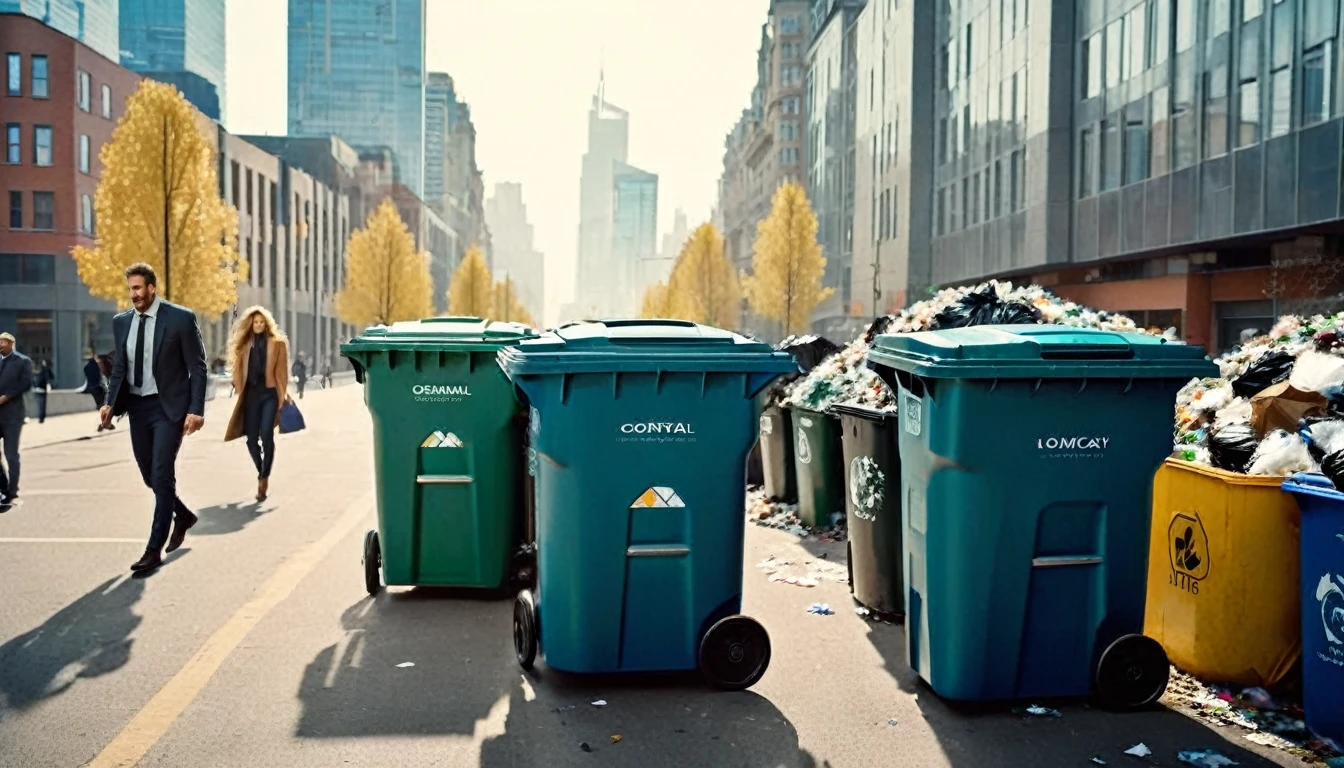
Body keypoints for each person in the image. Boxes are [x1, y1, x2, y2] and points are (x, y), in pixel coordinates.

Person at [100, 263, 207, 572]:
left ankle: (153, 549)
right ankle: (183, 515)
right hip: (137, 408)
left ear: (151, 288)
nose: (133, 294)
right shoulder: (121, 323)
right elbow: (120, 367)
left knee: (162, 475)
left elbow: (197, 367)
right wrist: (109, 403)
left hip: (168, 408)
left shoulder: (180, 319)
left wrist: (196, 410)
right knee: (149, 475)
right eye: (130, 289)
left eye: (138, 288)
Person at [223, 306, 289, 502]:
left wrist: (282, 395)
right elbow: (237, 368)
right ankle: (262, 470)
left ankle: (263, 480)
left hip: (269, 394)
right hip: (251, 396)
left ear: (266, 323)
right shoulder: (245, 345)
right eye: (255, 322)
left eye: (261, 322)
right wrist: (237, 383)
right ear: (251, 325)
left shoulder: (277, 344)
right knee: (251, 440)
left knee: (266, 435)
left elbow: (282, 372)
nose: (259, 325)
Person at [0, 332, 33, 510]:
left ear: (11, 343)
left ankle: (12, 490)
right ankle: (3, 487)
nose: (0, 344)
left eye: (3, 342)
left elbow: (26, 384)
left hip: (13, 415)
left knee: (11, 454)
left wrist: (8, 396)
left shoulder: (23, 361)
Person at [82, 350, 114, 431]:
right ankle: (105, 423)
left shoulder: (87, 366)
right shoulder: (97, 364)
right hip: (99, 387)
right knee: (104, 405)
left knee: (101, 406)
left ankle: (104, 422)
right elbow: (103, 371)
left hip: (93, 388)